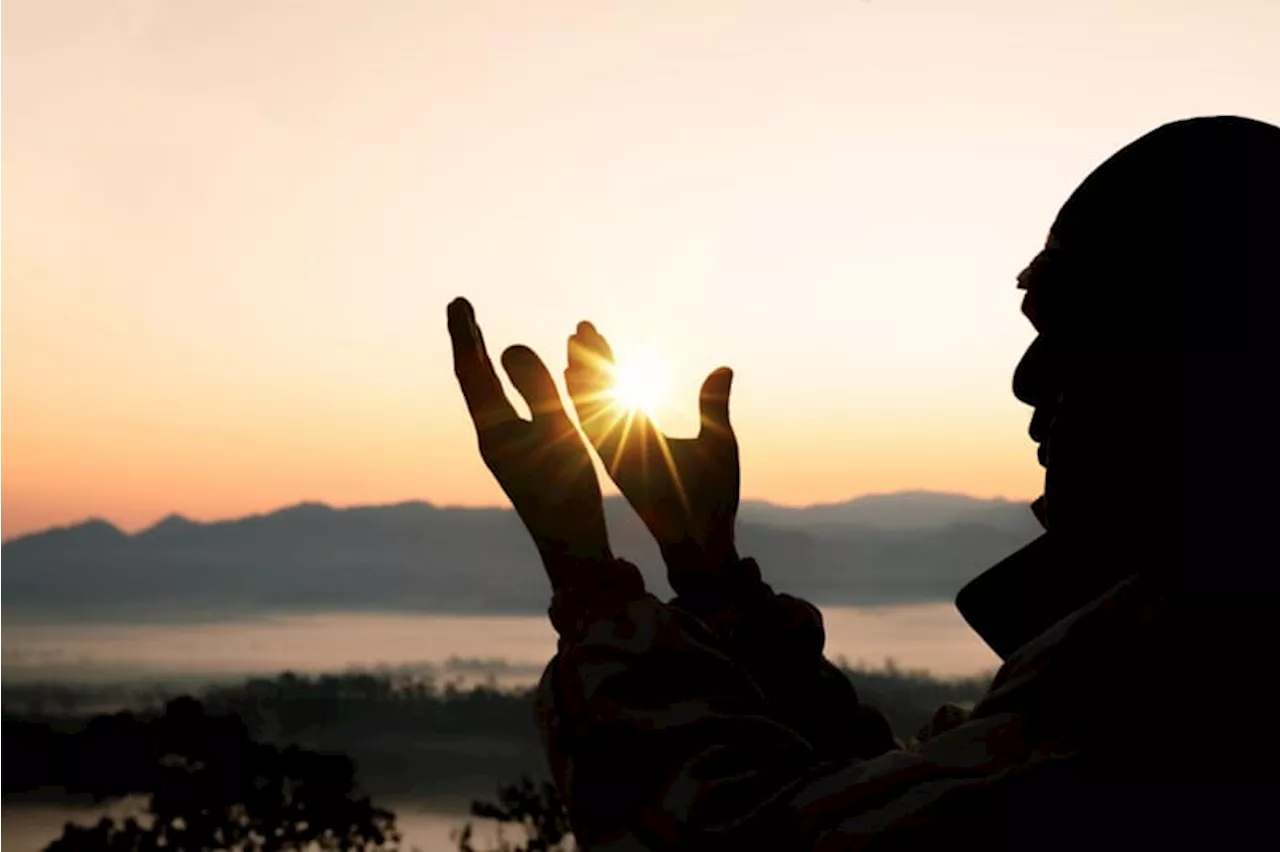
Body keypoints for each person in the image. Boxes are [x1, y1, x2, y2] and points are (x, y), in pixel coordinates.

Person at [448, 115, 1280, 850]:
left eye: (1080, 327)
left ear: (1220, 355)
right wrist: (709, 573)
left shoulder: (1182, 684)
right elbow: (881, 797)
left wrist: (588, 580)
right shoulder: (1166, 656)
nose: (1029, 380)